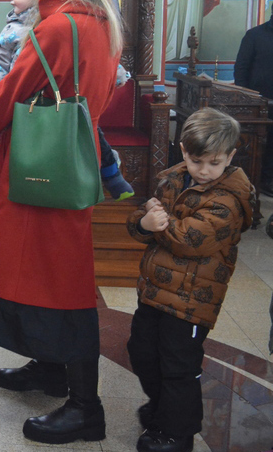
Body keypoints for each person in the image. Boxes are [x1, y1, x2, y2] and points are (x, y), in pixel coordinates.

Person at [0, 0, 123, 444]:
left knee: (63, 280)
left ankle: (86, 406)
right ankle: (49, 366)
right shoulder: (97, 21)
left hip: (43, 169)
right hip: (67, 162)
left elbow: (2, 105)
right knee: (45, 271)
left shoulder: (57, 28)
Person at [126, 107, 254, 452]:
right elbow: (139, 219)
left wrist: (157, 219)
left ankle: (177, 433)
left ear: (230, 156)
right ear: (184, 150)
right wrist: (143, 223)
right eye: (197, 161)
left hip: (192, 301)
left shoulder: (229, 200)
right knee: (142, 353)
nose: (205, 171)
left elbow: (188, 241)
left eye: (215, 162)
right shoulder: (174, 176)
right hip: (154, 291)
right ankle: (163, 407)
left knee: (178, 366)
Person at [0, 0, 134, 201]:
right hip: (27, 104)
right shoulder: (13, 29)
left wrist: (118, 74)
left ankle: (111, 173)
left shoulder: (57, 25)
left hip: (64, 102)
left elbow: (91, 57)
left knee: (85, 130)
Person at [234, 14, 273, 196]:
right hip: (260, 103)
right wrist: (247, 98)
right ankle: (265, 180)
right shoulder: (255, 35)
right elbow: (241, 68)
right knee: (265, 144)